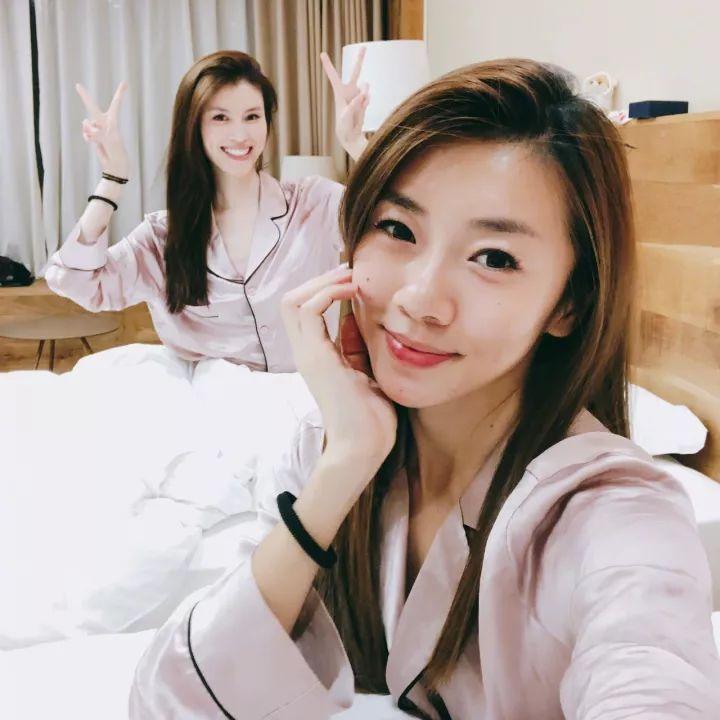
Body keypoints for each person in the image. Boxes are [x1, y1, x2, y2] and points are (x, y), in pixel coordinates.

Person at [129, 59, 720, 719]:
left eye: (494, 258)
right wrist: (344, 465)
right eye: (398, 229)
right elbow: (172, 702)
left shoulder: (610, 516)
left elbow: (652, 672)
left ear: (569, 303)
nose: (418, 299)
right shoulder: (332, 447)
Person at [44, 49, 369, 370]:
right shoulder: (162, 237)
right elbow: (77, 282)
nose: (240, 135)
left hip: (308, 395)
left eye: (252, 116)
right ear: (194, 126)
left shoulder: (315, 203)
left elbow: (393, 226)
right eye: (220, 118)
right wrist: (113, 178)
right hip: (208, 400)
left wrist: (356, 143)